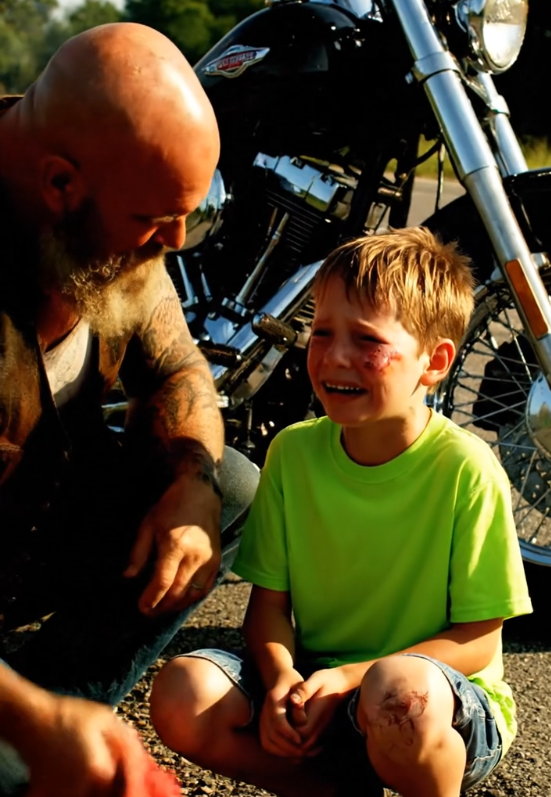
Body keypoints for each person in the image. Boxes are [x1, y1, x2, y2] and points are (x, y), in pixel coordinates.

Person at [149, 227, 533, 797]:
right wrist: (282, 679)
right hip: (318, 681)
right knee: (183, 692)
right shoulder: (293, 453)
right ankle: (330, 787)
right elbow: (268, 609)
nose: (335, 356)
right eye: (322, 332)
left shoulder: (467, 469)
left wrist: (351, 679)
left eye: (367, 340)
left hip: (437, 699)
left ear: (434, 362)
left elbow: (478, 640)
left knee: (398, 693)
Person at [0, 22, 259, 797]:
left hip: (24, 541)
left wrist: (192, 483)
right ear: (59, 184)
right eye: (155, 220)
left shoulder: (107, 199)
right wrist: (31, 721)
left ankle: (60, 732)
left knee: (230, 483)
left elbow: (178, 366)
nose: (174, 242)